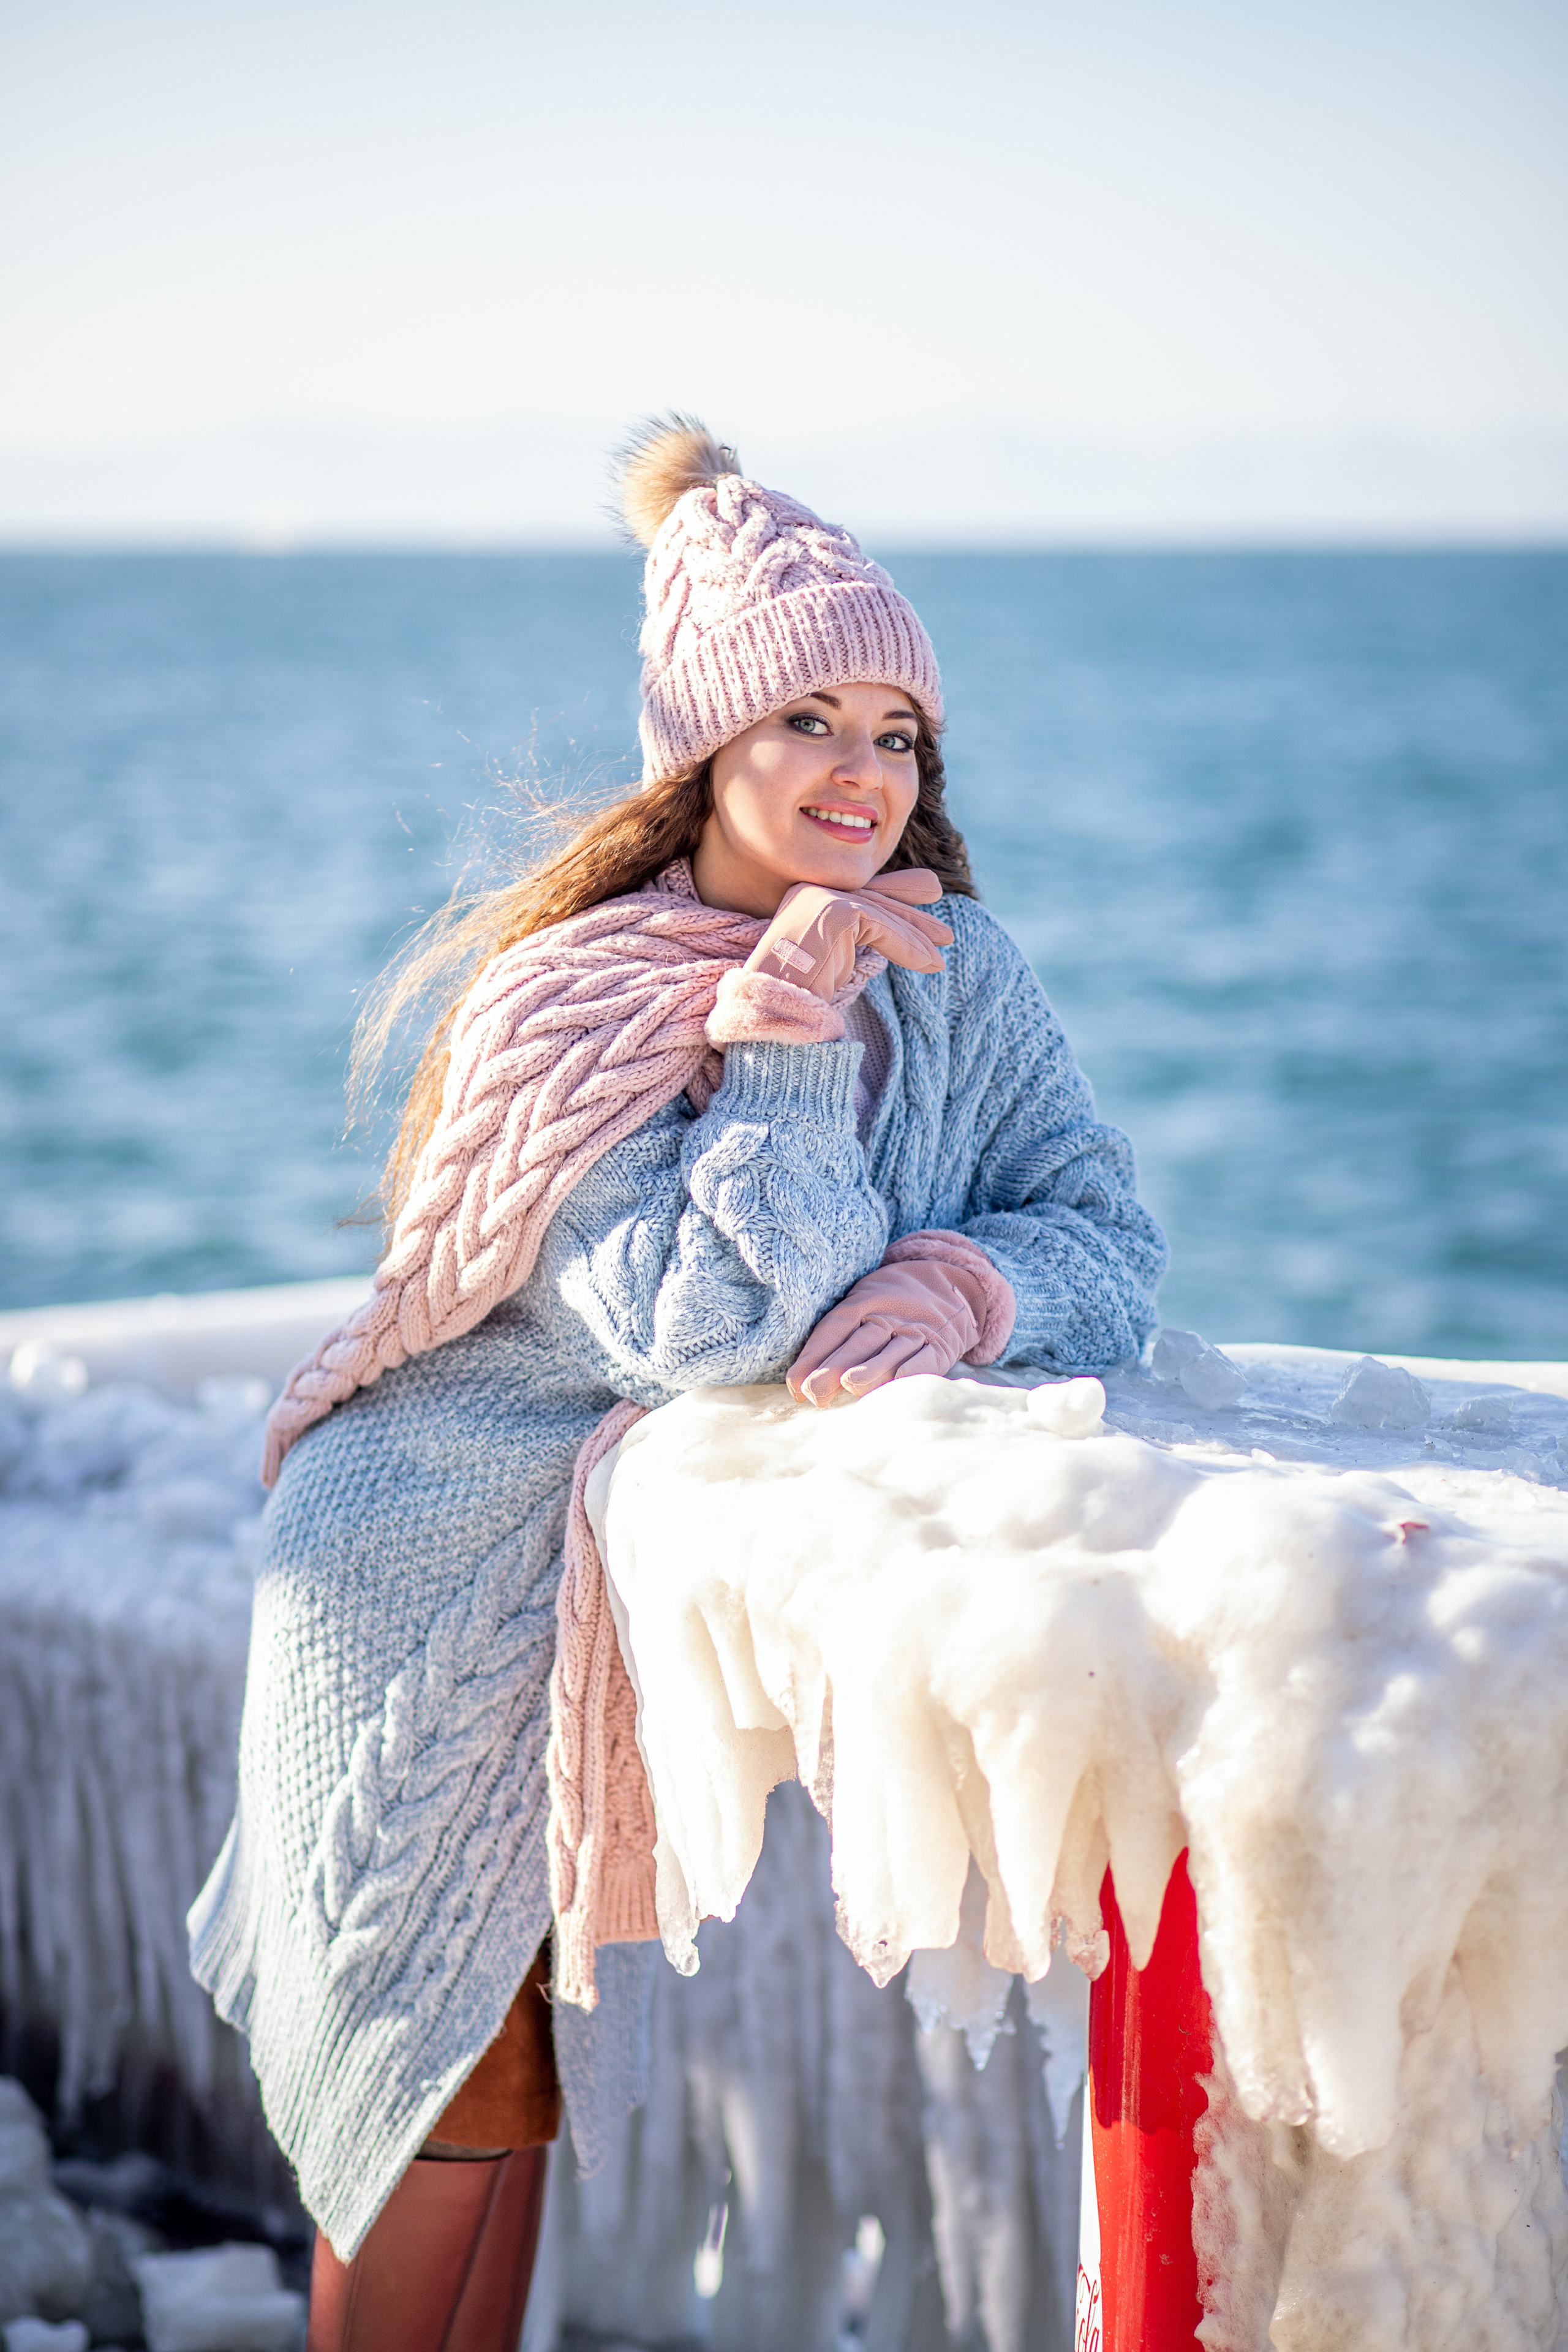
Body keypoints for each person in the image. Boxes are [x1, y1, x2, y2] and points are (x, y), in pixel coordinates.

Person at [189, 419, 1167, 2351]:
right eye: (811, 720)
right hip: (429, 1573)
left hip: (600, 1595)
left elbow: (1110, 1234)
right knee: (434, 2106)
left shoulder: (958, 971)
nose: (862, 776)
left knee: (516, 2095)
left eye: (899, 735)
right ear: (705, 749)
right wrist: (788, 1036)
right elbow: (698, 1326)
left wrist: (965, 1282)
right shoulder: (571, 1001)